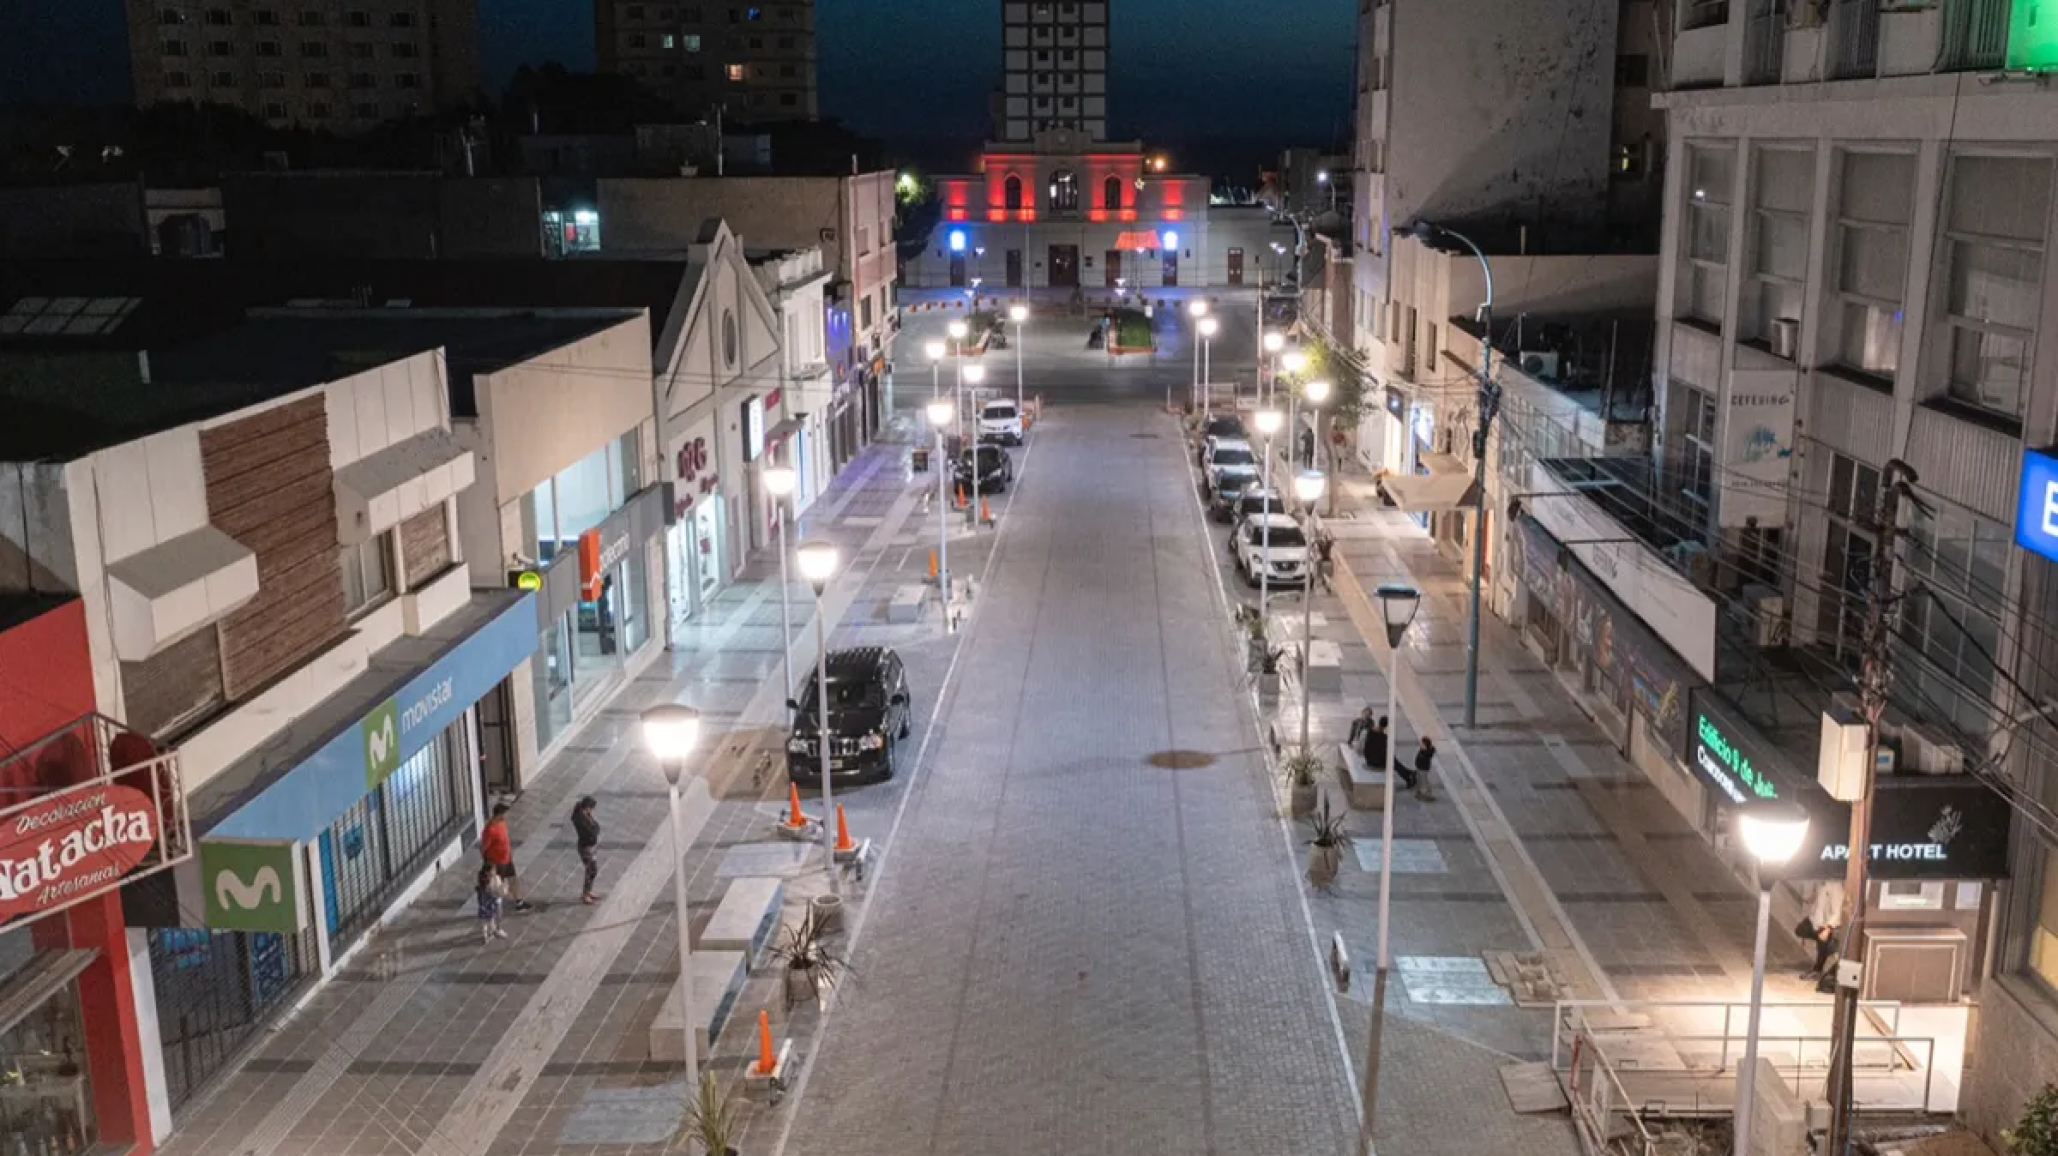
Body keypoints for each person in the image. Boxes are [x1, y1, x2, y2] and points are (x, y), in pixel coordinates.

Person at [480, 803, 529, 912]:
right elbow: (483, 847)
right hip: (497, 862)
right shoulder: (489, 830)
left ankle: (519, 903)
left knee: (513, 879)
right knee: (496, 885)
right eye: (504, 814)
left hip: (507, 858)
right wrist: (487, 863)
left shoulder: (502, 822)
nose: (505, 816)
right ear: (499, 814)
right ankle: (492, 906)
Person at [1800, 880, 1845, 980]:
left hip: (1830, 926)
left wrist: (1828, 928)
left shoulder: (1835, 885)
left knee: (1832, 951)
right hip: (1820, 924)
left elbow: (1838, 911)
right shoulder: (1821, 882)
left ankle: (1830, 975)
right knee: (1821, 948)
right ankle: (1817, 970)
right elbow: (1818, 904)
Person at [572, 796, 602, 905]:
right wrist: (595, 829)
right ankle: (585, 894)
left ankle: (588, 892)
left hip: (591, 847)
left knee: (592, 870)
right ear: (587, 807)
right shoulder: (580, 819)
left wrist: (595, 829)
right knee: (591, 870)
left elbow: (596, 827)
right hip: (585, 848)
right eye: (591, 808)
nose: (592, 811)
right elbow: (592, 831)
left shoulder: (586, 815)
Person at [476, 864, 507, 942]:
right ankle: (493, 932)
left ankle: (486, 935)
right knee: (491, 920)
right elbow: (496, 893)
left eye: (494, 870)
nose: (494, 871)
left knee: (486, 922)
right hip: (492, 904)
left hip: (485, 907)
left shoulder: (492, 879)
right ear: (487, 872)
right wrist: (503, 889)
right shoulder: (487, 882)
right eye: (492, 870)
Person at [1363, 715, 1391, 786]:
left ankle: (1408, 774)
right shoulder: (1384, 737)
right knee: (1393, 760)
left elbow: (1367, 746)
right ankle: (1408, 775)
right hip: (1377, 762)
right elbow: (1383, 752)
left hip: (1368, 758)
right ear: (1386, 726)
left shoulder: (1370, 731)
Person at [1412, 736, 1438, 801]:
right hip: (1419, 767)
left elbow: (1426, 755)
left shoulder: (1427, 752)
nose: (1420, 744)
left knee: (1424, 781)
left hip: (1423, 769)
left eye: (1422, 743)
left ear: (1425, 745)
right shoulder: (1422, 750)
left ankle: (1428, 794)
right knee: (1419, 780)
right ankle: (1418, 792)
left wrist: (1424, 751)